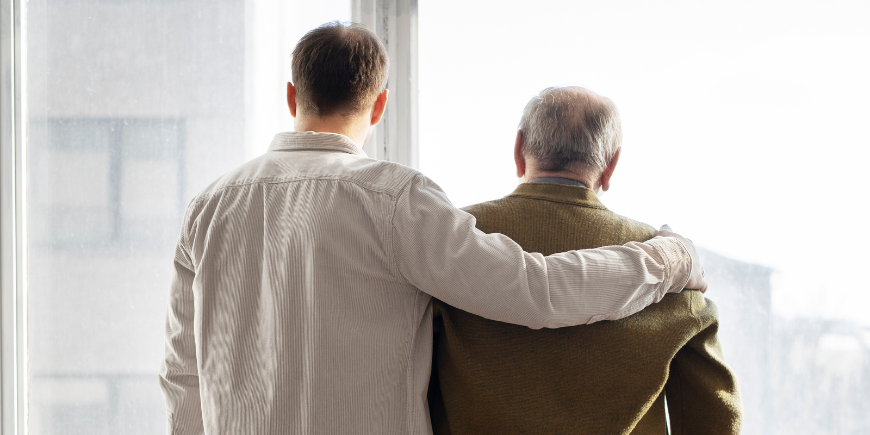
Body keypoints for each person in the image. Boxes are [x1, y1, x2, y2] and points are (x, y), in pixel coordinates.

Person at [159, 23, 707, 434]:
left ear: (291, 95)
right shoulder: (394, 200)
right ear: (379, 106)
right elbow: (536, 291)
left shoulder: (207, 209)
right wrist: (666, 260)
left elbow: (182, 378)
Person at [427, 86, 741, 435]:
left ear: (518, 149)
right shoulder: (673, 269)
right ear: (611, 165)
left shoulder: (451, 240)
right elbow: (714, 421)